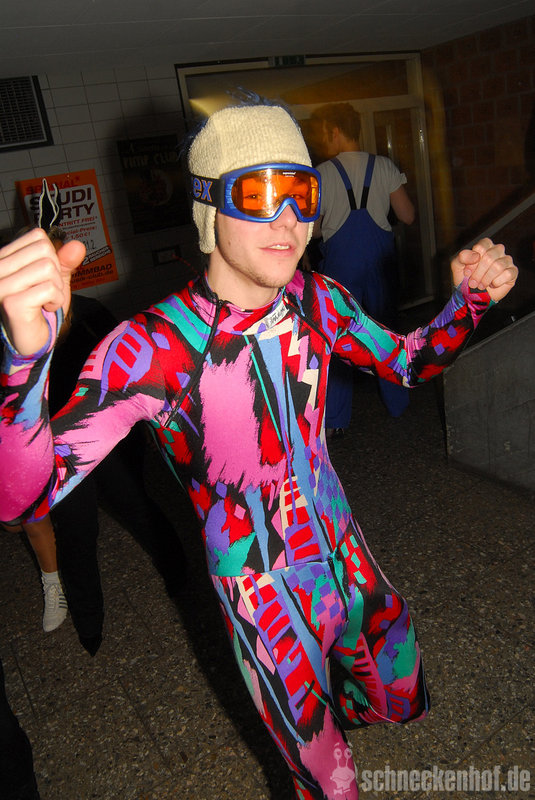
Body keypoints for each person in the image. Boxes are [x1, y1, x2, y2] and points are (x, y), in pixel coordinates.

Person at [0, 100, 518, 800]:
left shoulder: (315, 298)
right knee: (329, 782)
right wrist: (23, 364)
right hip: (262, 595)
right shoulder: (150, 348)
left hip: (348, 558)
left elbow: (407, 363)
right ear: (208, 208)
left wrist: (469, 301)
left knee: (397, 690)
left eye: (301, 191)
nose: (288, 220)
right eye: (259, 192)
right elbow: (23, 499)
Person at [311, 102, 416, 435]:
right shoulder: (384, 166)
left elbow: (313, 231)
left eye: (324, 133)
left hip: (341, 268)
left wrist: (329, 219)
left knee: (338, 339)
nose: (322, 140)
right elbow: (408, 216)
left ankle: (335, 421)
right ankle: (398, 406)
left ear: (335, 131)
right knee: (385, 336)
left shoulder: (322, 174)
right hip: (379, 265)